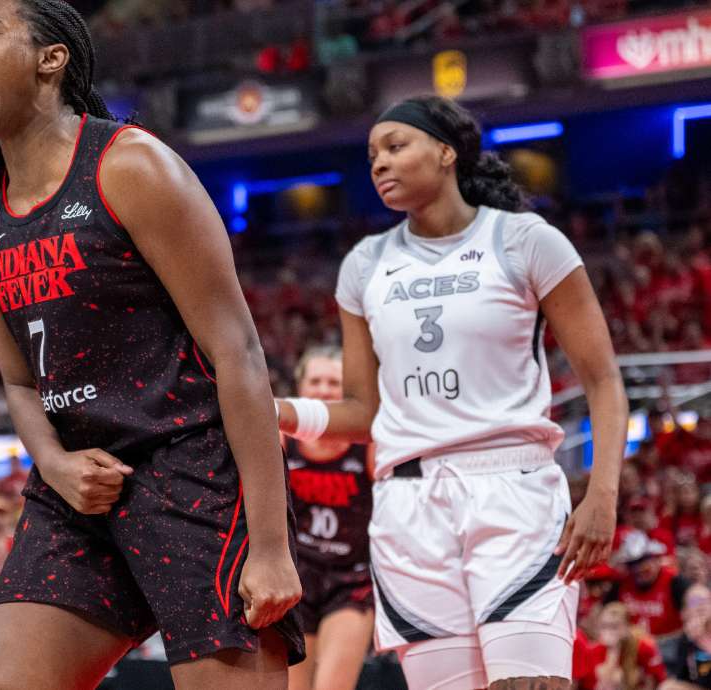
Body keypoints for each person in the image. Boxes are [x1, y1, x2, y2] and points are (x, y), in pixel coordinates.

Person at [0, 1, 306, 688]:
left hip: (191, 470)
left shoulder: (132, 167)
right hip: (78, 491)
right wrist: (54, 462)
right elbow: (20, 383)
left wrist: (269, 546)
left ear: (50, 60)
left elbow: (237, 353)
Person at [280, 95, 628, 689]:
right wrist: (278, 411)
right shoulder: (365, 264)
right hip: (408, 506)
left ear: (446, 152)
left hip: (512, 487)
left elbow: (603, 379)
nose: (379, 164)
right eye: (371, 156)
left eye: (395, 147)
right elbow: (364, 410)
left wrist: (602, 493)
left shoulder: (524, 240)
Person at [275, 347, 374, 690]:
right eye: (315, 381)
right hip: (296, 576)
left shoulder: (369, 444)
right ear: (300, 388)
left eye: (334, 382)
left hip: (351, 579)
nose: (323, 389)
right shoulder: (283, 441)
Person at [574, 602, 667, 690]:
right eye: (604, 626)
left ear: (627, 627)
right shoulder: (593, 650)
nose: (609, 632)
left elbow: (654, 684)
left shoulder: (644, 648)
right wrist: (612, 651)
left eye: (614, 626)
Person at [662, 583, 711, 689]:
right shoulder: (686, 639)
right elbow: (682, 677)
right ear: (684, 612)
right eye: (695, 601)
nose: (702, 605)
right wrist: (691, 642)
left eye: (706, 601)